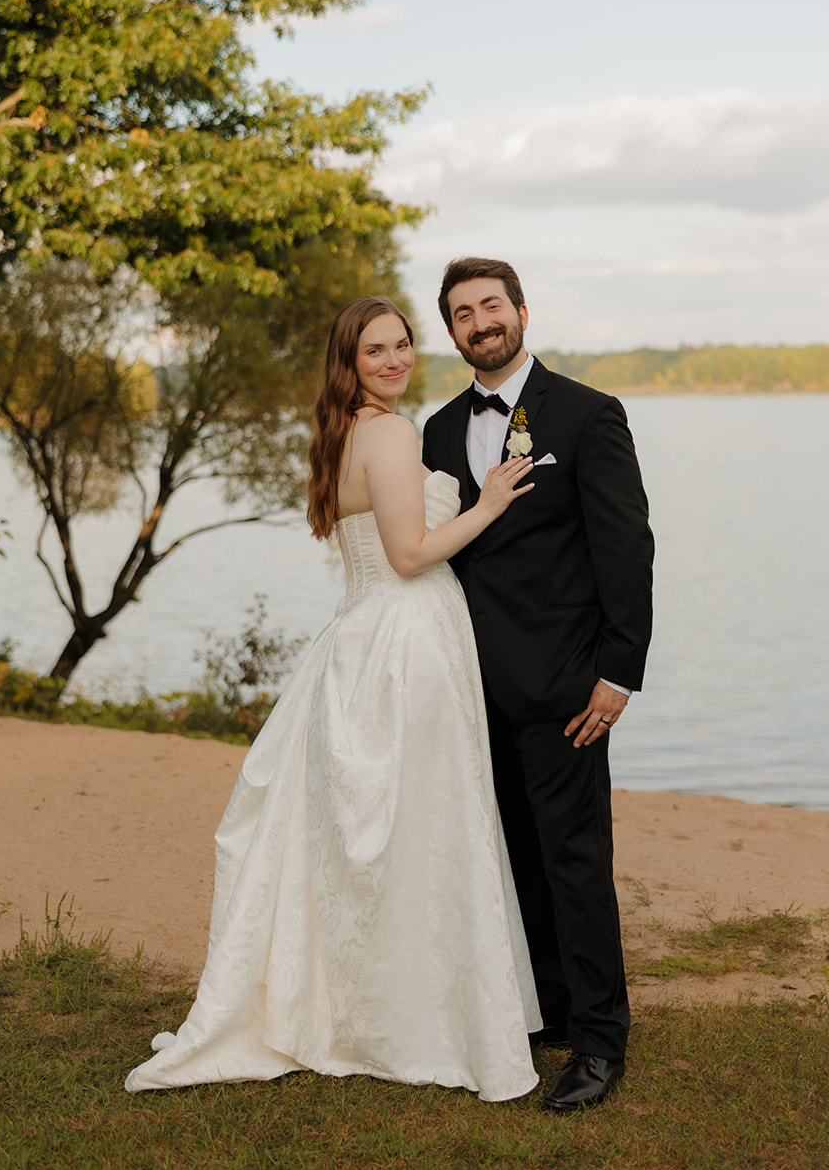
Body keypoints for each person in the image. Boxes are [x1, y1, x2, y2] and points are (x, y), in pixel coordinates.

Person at [126, 295, 542, 1103]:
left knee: (383, 831)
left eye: (401, 345)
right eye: (374, 351)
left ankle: (376, 1009)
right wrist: (488, 504)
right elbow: (411, 554)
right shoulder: (387, 432)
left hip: (364, 631)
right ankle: (418, 1018)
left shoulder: (341, 432)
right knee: (420, 824)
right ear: (348, 362)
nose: (393, 361)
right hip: (403, 637)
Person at [422, 258, 654, 1113]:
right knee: (511, 858)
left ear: (522, 311)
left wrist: (617, 672)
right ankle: (546, 1009)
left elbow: (625, 548)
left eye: (491, 305)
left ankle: (599, 1042)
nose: (479, 321)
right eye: (461, 312)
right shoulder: (439, 430)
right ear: (451, 332)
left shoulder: (588, 415)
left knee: (575, 864)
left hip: (565, 688)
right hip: (468, 689)